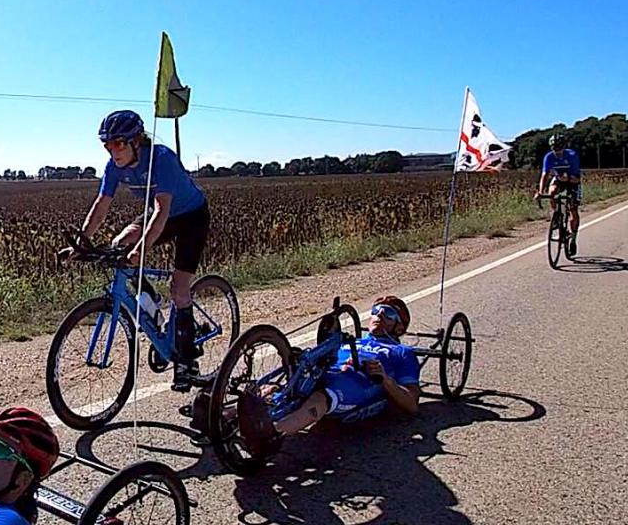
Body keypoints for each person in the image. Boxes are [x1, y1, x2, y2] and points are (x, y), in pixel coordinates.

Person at [63, 109, 212, 392]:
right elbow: (101, 205)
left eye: (118, 143)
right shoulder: (114, 166)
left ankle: (187, 361)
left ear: (136, 141)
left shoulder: (162, 158)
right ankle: (149, 299)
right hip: (157, 213)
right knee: (120, 244)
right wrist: (81, 243)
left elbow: (161, 210)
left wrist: (142, 250)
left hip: (190, 216)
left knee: (179, 288)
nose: (112, 150)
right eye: (107, 145)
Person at [236, 296, 421, 457]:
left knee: (322, 396)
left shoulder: (401, 352)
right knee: (279, 388)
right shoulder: (353, 340)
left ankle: (271, 436)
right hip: (326, 372)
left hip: (358, 383)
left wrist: (385, 379)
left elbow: (412, 403)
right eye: (376, 310)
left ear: (399, 328)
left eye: (388, 314)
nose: (379, 315)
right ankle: (221, 416)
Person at [534, 132, 582, 256]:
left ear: (564, 147)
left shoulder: (572, 155)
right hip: (559, 179)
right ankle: (557, 214)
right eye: (554, 148)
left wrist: (568, 179)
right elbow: (544, 175)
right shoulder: (549, 157)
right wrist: (540, 191)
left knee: (573, 210)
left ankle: (573, 239)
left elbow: (576, 178)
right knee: (552, 192)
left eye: (559, 148)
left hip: (573, 180)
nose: (557, 151)